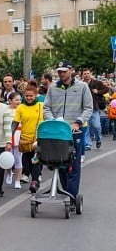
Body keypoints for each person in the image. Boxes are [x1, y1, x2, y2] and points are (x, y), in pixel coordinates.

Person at [43, 60, 92, 205]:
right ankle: (67, 193)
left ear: (71, 70)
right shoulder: (52, 88)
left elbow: (88, 108)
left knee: (73, 165)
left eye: (64, 71)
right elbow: (46, 107)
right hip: (57, 131)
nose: (61, 73)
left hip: (75, 130)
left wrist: (78, 122)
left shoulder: (82, 87)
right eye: (59, 71)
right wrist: (53, 121)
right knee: (60, 163)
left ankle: (71, 197)